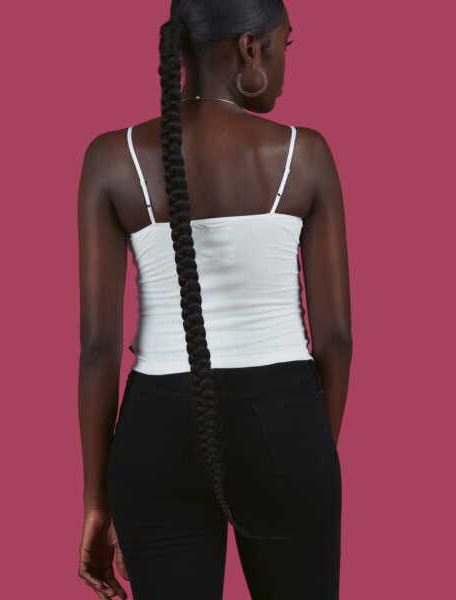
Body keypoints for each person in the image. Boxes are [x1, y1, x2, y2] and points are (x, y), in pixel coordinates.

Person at [77, 1, 352, 598]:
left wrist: (96, 502)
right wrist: (305, 461)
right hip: (283, 421)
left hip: (157, 431)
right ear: (250, 48)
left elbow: (98, 348)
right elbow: (335, 340)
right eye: (284, 47)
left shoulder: (111, 157)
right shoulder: (304, 153)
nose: (284, 66)